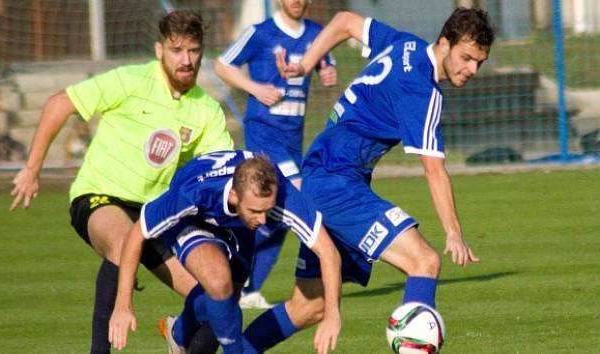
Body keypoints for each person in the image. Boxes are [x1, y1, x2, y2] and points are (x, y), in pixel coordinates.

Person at [240, 7, 495, 353]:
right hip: (337, 182)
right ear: (445, 43)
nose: (471, 70)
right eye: (467, 58)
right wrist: (453, 231)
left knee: (309, 307)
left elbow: (345, 21)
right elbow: (434, 169)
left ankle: (235, 349)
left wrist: (305, 64)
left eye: (479, 62)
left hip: (321, 172)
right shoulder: (423, 91)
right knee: (425, 261)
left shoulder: (405, 44)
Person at [9, 10, 233, 354]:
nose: (186, 60)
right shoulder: (130, 81)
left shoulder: (206, 110)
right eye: (177, 51)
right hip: (100, 197)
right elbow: (59, 103)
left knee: (216, 300)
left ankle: (179, 334)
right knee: (122, 240)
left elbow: (220, 172)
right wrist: (32, 168)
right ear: (160, 51)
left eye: (193, 51)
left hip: (155, 215)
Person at [107, 151, 342, 354]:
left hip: (238, 229)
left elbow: (328, 252)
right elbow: (137, 234)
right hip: (193, 221)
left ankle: (177, 332)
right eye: (255, 210)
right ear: (233, 196)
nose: (263, 220)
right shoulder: (192, 192)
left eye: (267, 210)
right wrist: (123, 305)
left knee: (228, 298)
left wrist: (332, 313)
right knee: (218, 282)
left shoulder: (281, 195)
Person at [214, 0, 337, 309]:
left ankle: (247, 287)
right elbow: (221, 65)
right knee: (297, 195)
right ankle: (322, 269)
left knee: (277, 216)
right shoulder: (260, 33)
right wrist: (254, 88)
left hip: (293, 139)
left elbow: (327, 62)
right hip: (264, 134)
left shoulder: (317, 33)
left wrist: (328, 71)